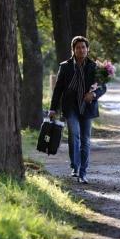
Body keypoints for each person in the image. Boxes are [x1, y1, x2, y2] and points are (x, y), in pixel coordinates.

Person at [49, 36, 106, 184]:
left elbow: (103, 87)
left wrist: (93, 94)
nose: (81, 50)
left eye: (83, 47)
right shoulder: (65, 66)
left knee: (85, 140)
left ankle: (83, 173)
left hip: (87, 107)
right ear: (73, 50)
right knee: (74, 135)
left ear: (87, 49)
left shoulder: (94, 67)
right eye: (78, 47)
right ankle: (75, 165)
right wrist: (53, 108)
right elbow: (58, 89)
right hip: (71, 106)